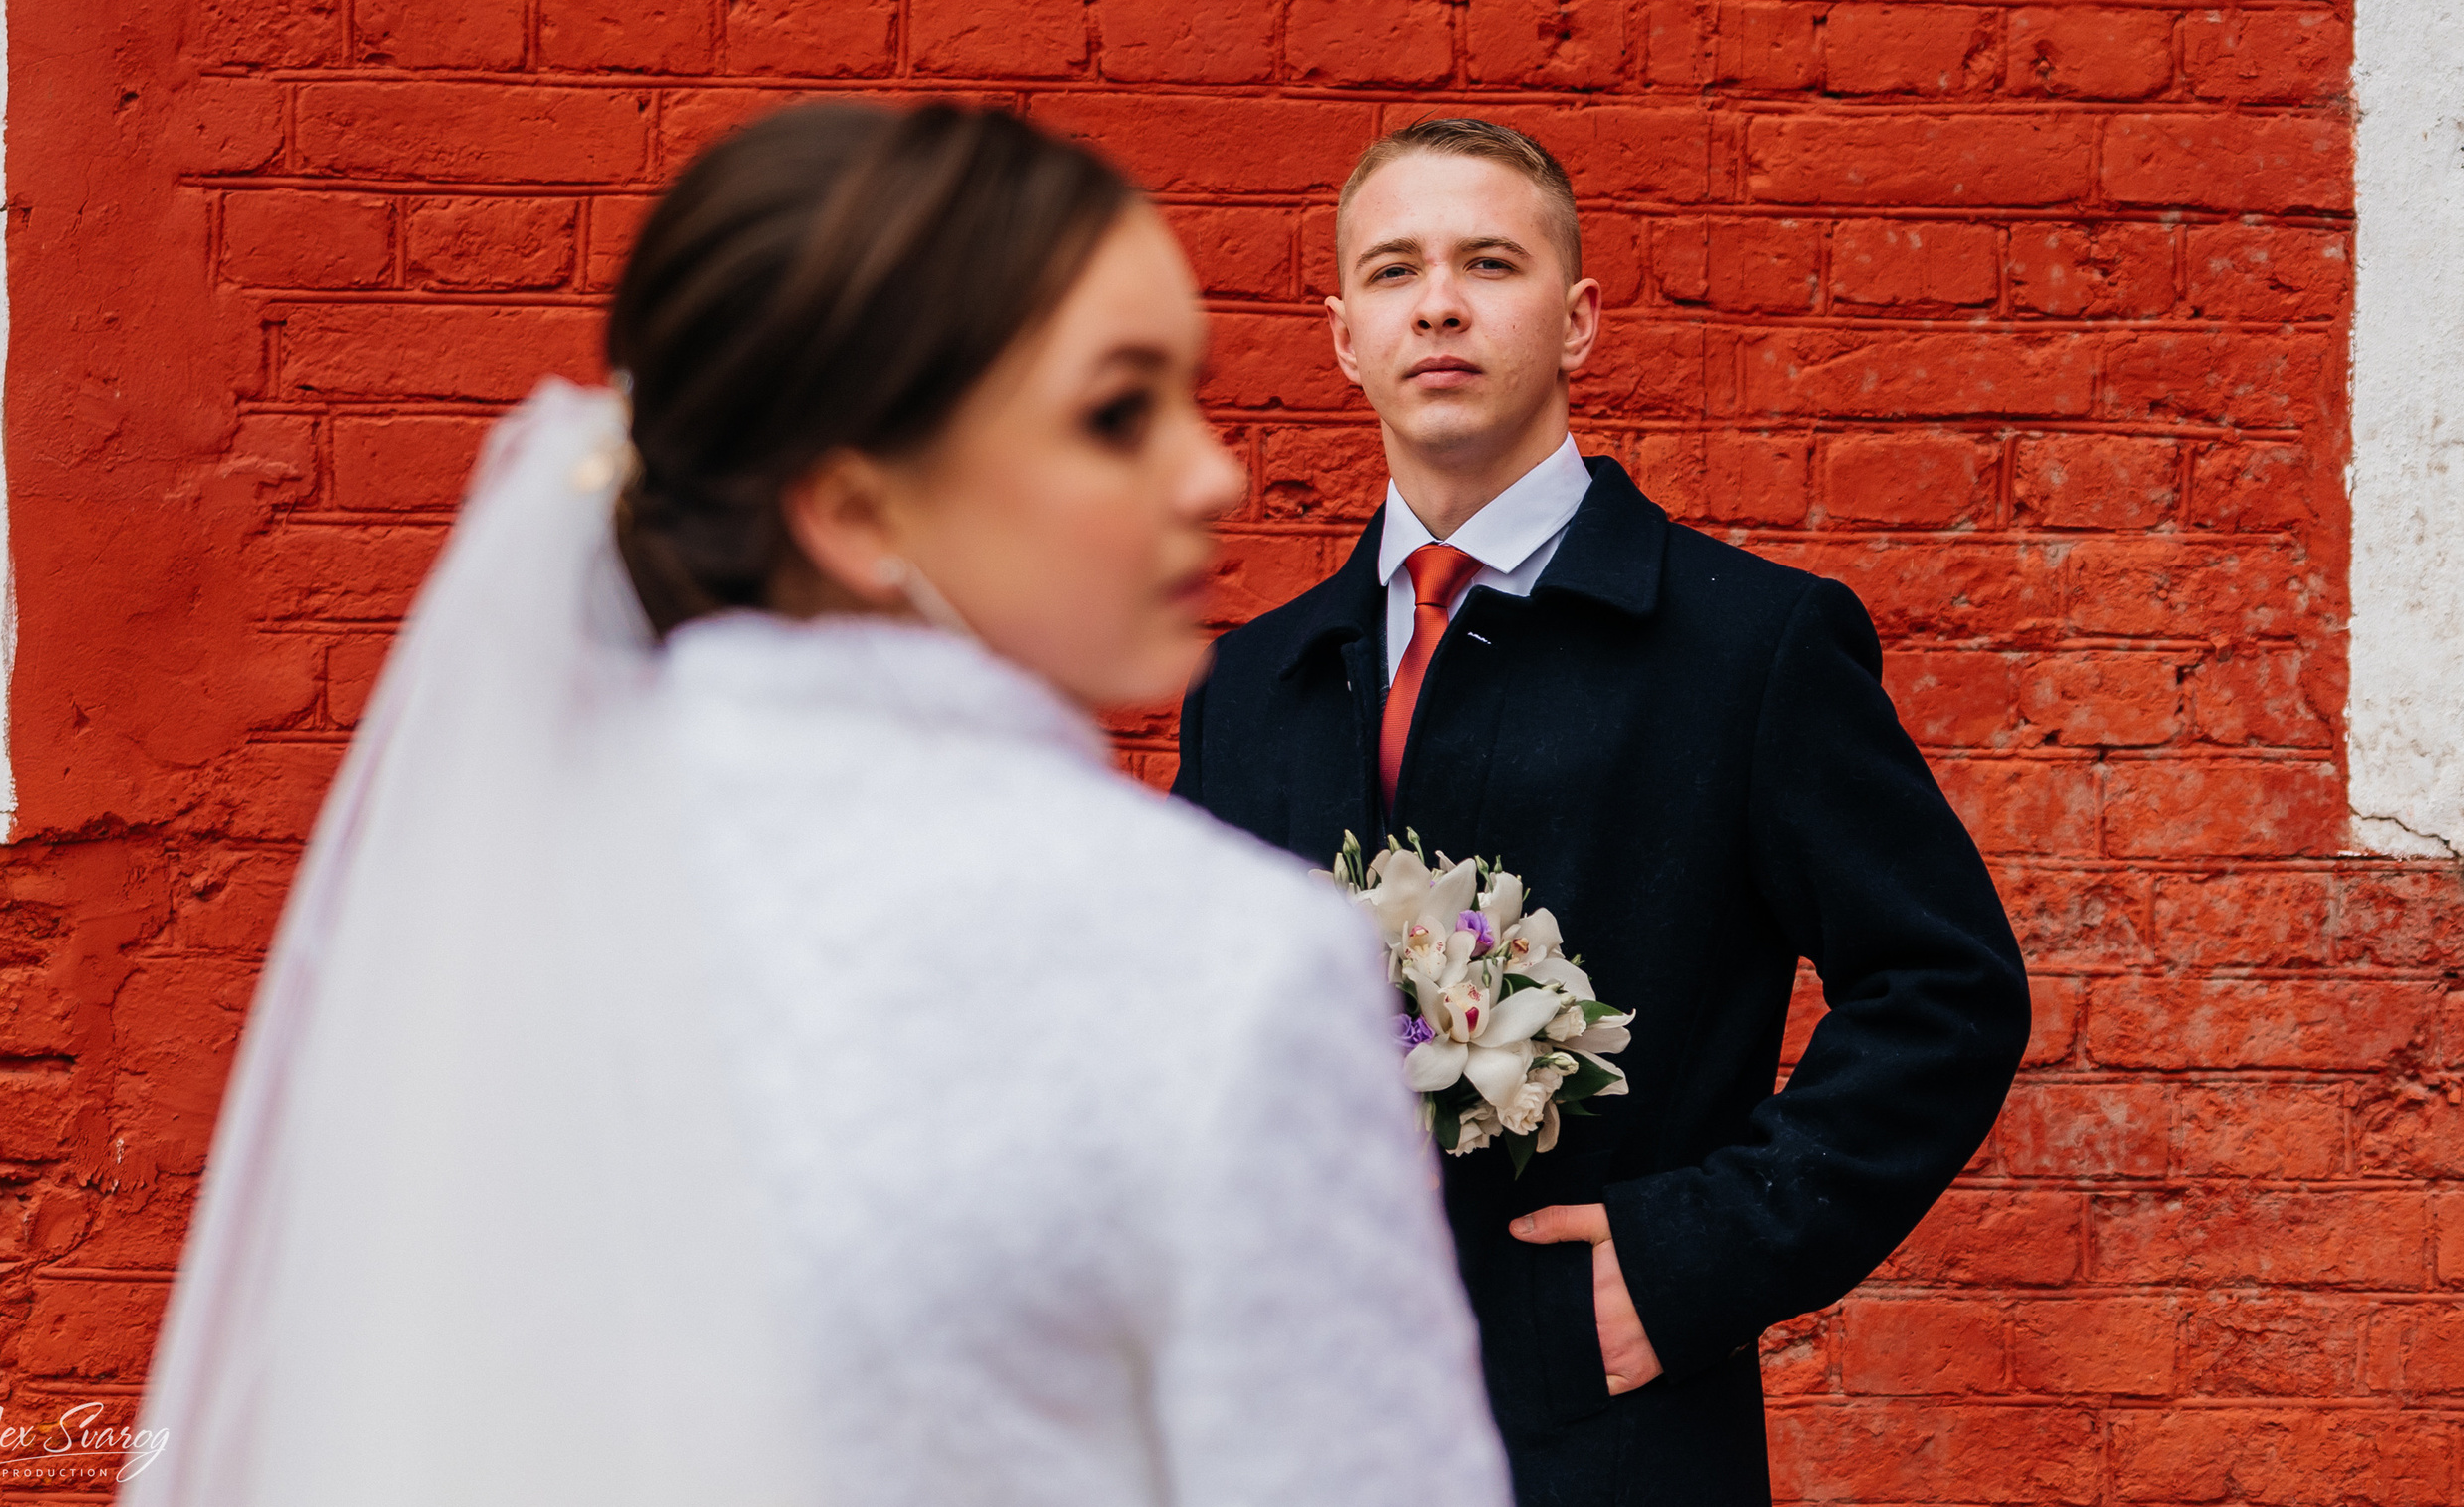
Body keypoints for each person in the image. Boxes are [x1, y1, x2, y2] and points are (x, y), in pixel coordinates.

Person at [126, 103, 1513, 1507]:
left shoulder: (490, 892)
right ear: (855, 512)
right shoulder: (1222, 958)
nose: (1213, 471)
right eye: (1117, 413)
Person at [1174, 118, 2031, 1506]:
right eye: (1394, 271)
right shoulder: (1249, 682)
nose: (1439, 301)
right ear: (1343, 337)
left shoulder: (1750, 649)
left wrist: (1695, 1257)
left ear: (1575, 321)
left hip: (1607, 1440)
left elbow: (1944, 992)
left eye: (1489, 263)